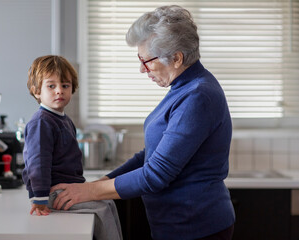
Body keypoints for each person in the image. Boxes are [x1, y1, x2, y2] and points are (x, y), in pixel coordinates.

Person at [50, 5, 235, 240]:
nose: (141, 69)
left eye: (146, 61)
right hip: (175, 224)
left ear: (177, 58)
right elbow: (150, 156)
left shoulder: (198, 95)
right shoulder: (183, 89)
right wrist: (102, 182)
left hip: (195, 226)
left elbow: (156, 174)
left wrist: (89, 191)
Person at [22, 55, 122, 240]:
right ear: (37, 91)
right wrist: (40, 199)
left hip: (68, 187)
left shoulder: (64, 120)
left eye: (65, 85)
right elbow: (37, 163)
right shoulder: (41, 122)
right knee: (102, 209)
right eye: (51, 86)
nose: (59, 91)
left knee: (108, 203)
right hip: (54, 192)